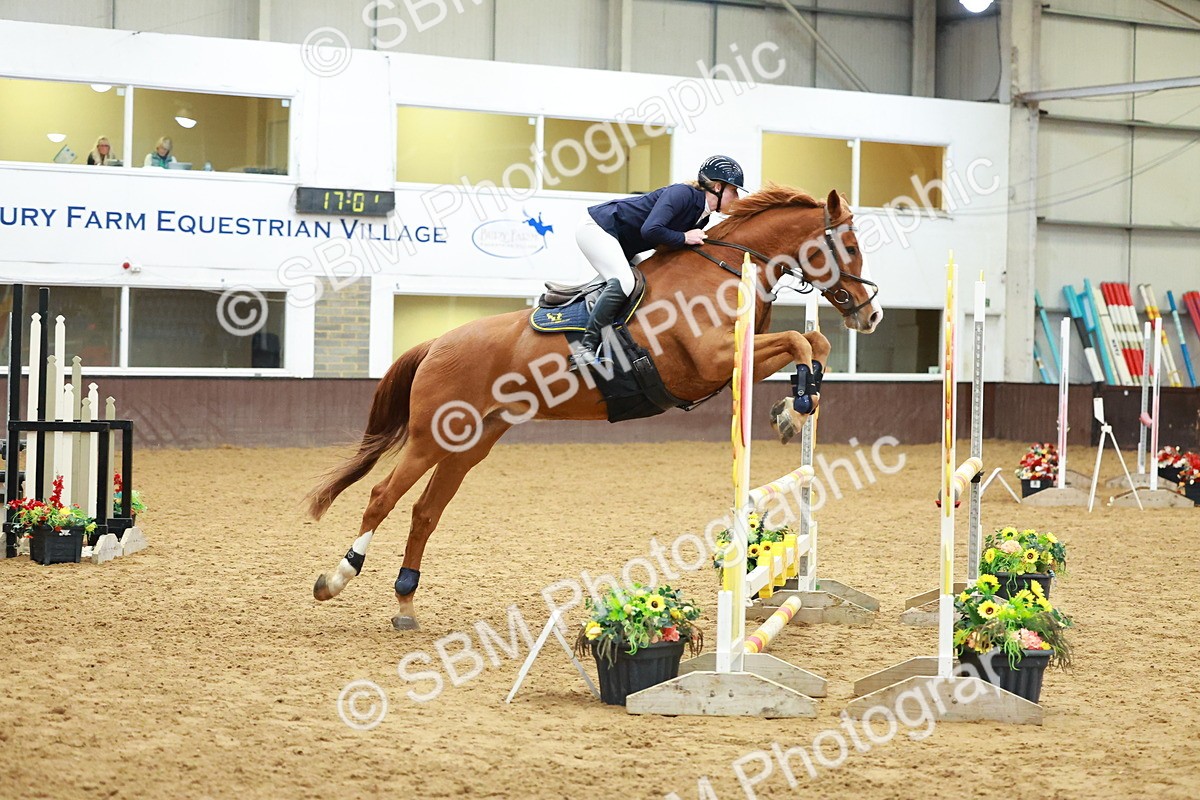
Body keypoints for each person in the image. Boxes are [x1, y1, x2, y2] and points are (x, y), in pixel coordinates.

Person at [571, 155, 746, 370]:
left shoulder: (703, 217)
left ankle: (609, 344)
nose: (737, 197)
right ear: (718, 187)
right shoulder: (682, 194)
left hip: (622, 243)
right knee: (625, 282)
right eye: (734, 191)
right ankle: (585, 349)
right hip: (598, 228)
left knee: (641, 284)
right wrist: (684, 238)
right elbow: (651, 230)